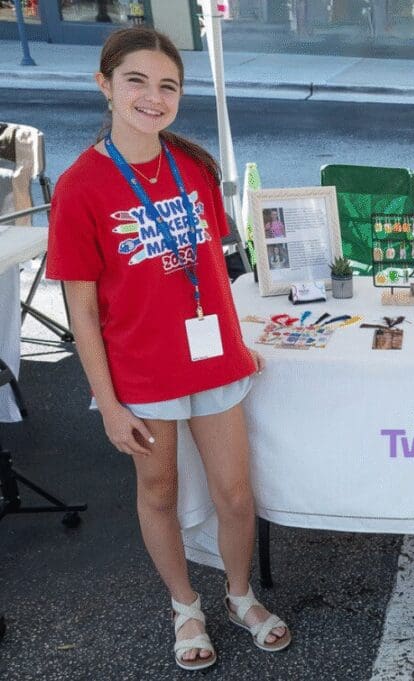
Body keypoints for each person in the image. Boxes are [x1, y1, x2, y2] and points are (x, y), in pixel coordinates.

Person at [46, 27, 291, 671]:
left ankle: (240, 596)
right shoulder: (80, 187)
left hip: (213, 362)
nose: (152, 98)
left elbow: (209, 268)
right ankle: (186, 606)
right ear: (104, 84)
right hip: (142, 375)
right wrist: (108, 402)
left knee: (235, 494)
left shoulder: (194, 167)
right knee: (158, 492)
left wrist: (236, 344)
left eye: (167, 86)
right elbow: (82, 310)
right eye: (136, 81)